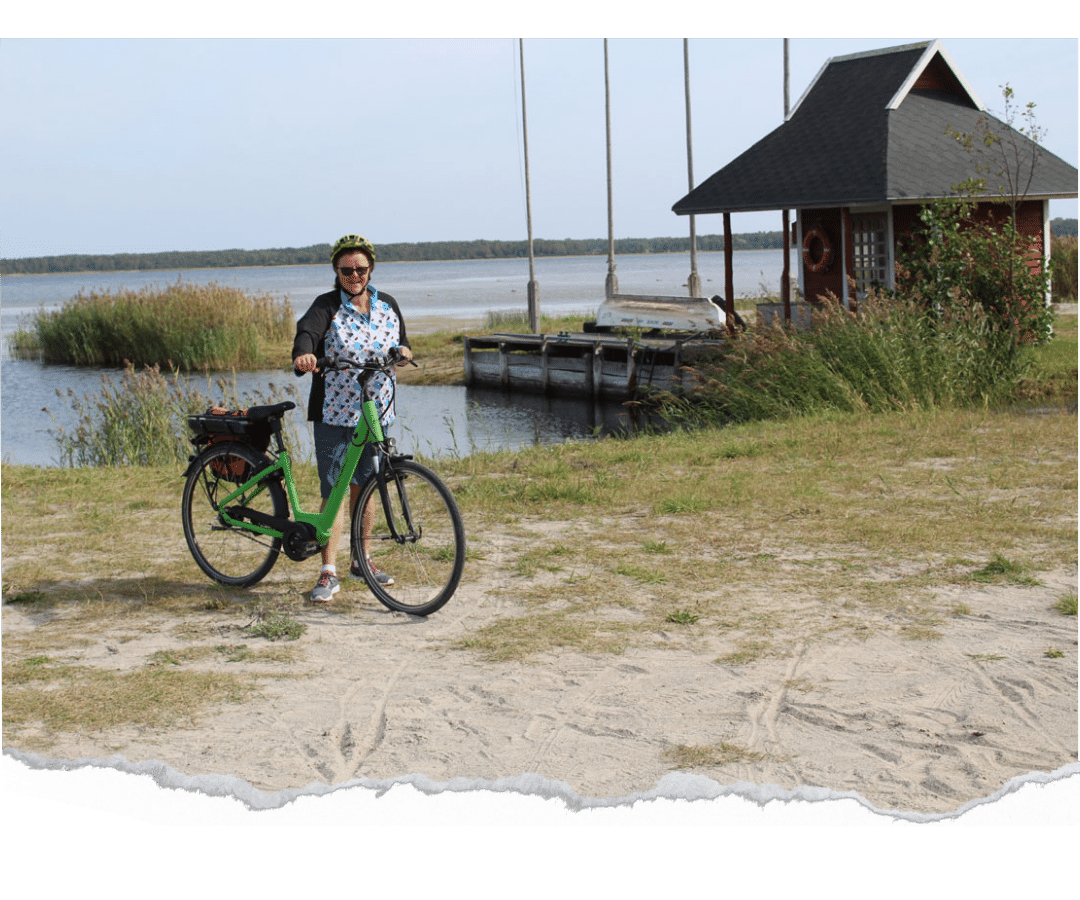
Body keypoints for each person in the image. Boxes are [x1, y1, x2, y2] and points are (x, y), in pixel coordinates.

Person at [292, 234, 413, 604]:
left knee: (367, 484)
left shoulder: (387, 304)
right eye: (347, 270)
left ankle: (361, 560)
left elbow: (401, 341)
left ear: (371, 268)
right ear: (336, 271)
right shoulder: (326, 306)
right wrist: (304, 356)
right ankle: (328, 571)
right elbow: (307, 333)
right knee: (335, 490)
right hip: (334, 411)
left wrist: (405, 352)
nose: (355, 275)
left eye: (361, 268)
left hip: (375, 411)